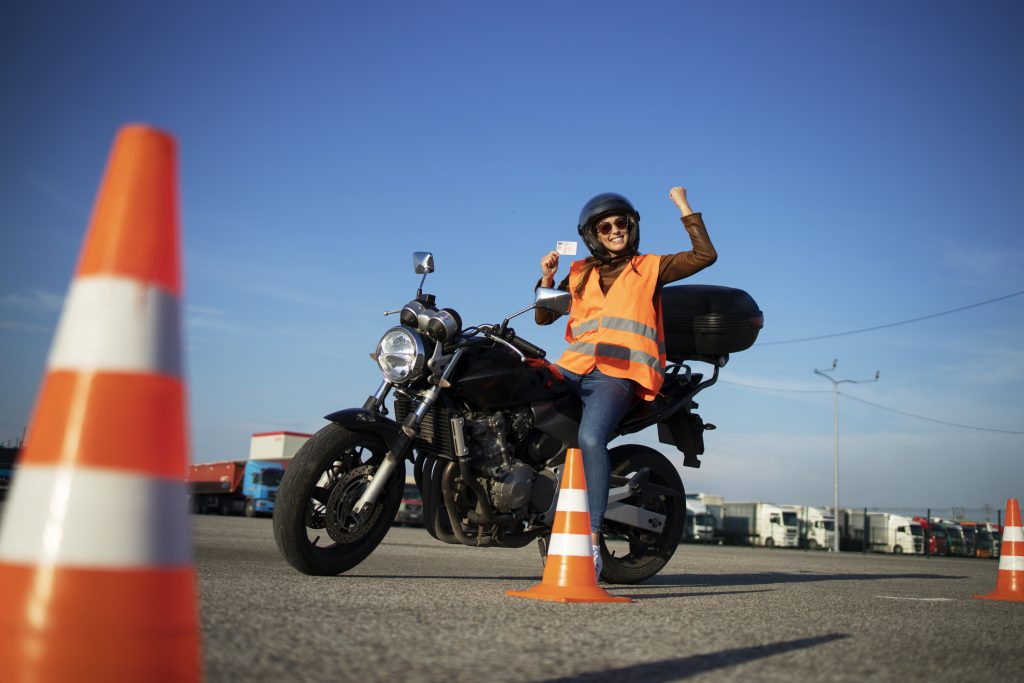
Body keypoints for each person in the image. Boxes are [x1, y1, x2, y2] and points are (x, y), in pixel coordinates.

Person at [535, 186, 717, 578]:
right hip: (573, 367)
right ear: (593, 235)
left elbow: (705, 255)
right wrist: (547, 276)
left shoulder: (650, 267)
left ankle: (592, 542)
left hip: (618, 374)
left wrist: (683, 206)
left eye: (621, 223)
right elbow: (544, 317)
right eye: (605, 227)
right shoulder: (580, 272)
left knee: (590, 438)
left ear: (631, 227)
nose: (615, 230)